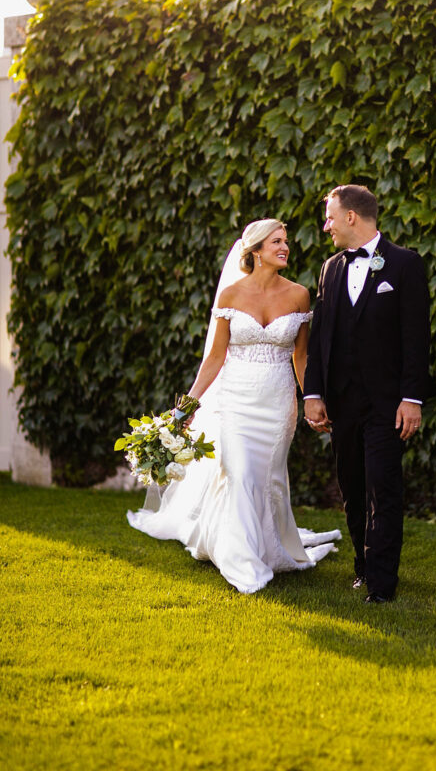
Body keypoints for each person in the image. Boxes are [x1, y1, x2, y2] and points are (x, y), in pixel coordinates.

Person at [127, 218, 341, 594]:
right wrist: (186, 406)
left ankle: (266, 545)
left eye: (285, 241)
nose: (285, 247)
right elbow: (214, 358)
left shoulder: (299, 295)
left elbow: (302, 357)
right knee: (240, 474)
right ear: (255, 250)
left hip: (277, 404)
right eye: (276, 241)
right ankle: (244, 566)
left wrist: (312, 400)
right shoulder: (230, 296)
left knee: (267, 478)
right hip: (235, 402)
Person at [303, 185, 433, 604]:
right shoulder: (330, 269)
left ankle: (381, 583)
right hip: (342, 403)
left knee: (383, 487)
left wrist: (411, 398)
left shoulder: (405, 265)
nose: (326, 227)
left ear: (352, 217)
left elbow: (416, 338)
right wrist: (314, 393)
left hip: (387, 404)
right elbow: (321, 335)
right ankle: (362, 566)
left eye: (329, 217)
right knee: (352, 487)